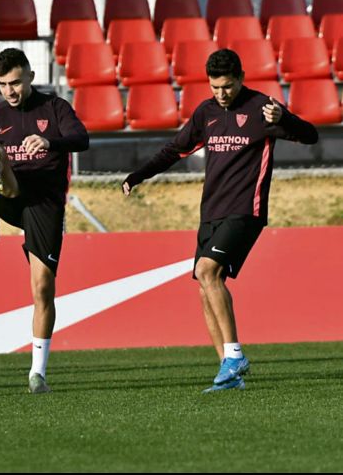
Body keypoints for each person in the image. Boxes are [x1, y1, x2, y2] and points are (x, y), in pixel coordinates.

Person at [122, 49, 318, 392]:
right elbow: (174, 150)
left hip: (245, 209)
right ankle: (229, 373)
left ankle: (235, 356)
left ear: (240, 78)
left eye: (227, 86)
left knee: (207, 271)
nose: (221, 93)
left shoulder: (262, 108)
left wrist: (284, 117)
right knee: (205, 286)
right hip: (211, 211)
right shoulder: (206, 112)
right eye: (215, 87)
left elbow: (310, 135)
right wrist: (138, 175)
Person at [0, 48, 90, 394]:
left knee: (42, 287)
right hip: (10, 196)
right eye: (2, 84)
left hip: (44, 203)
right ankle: (5, 176)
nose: (9, 91)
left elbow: (82, 139)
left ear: (30, 76)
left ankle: (37, 373)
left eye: (14, 83)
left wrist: (48, 141)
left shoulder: (55, 108)